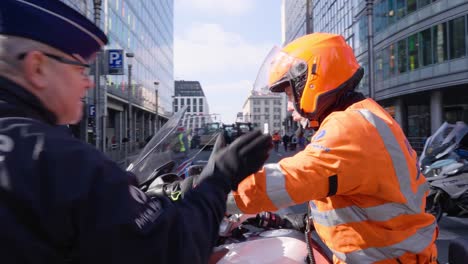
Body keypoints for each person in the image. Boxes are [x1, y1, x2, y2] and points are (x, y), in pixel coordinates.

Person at [0, 1, 272, 263]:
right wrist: (221, 177)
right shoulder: (61, 160)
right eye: (80, 69)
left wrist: (120, 185)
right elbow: (173, 247)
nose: (88, 84)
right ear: (37, 67)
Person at [226, 33, 438, 263]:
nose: (289, 107)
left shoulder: (350, 127)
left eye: (289, 95)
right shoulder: (364, 115)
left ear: (312, 81)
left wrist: (212, 189)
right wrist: (302, 220)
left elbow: (293, 178)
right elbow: (351, 196)